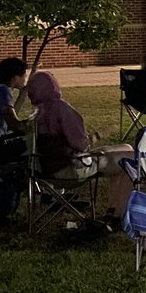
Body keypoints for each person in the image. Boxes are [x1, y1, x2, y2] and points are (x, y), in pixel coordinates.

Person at [25, 71, 135, 215]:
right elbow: (82, 145)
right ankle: (117, 213)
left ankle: (115, 208)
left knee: (126, 148)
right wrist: (94, 137)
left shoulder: (37, 113)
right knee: (130, 158)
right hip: (71, 168)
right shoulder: (60, 109)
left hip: (47, 169)